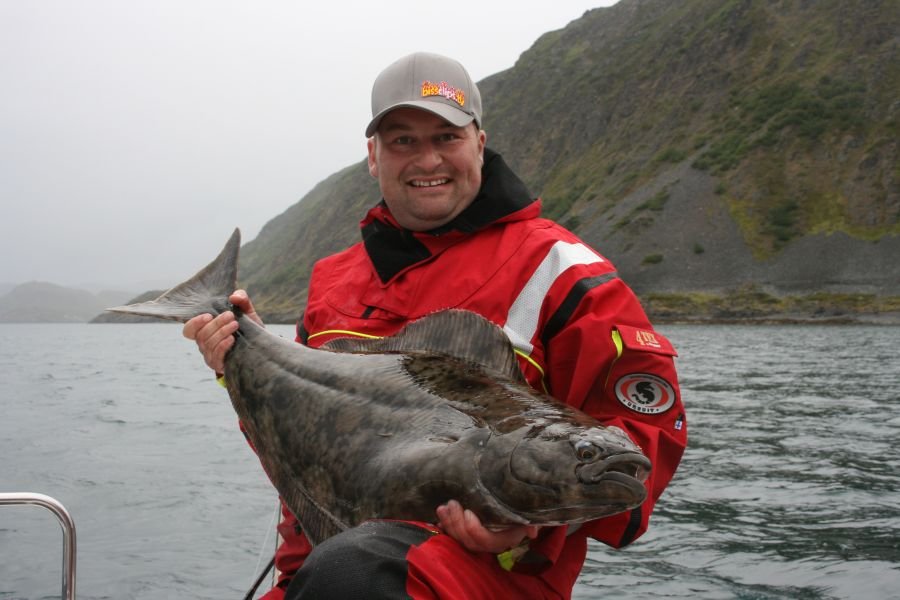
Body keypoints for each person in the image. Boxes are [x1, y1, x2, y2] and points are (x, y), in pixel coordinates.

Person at [184, 51, 687, 599]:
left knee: (352, 574)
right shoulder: (332, 281)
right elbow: (306, 449)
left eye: (446, 137)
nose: (427, 160)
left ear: (479, 141)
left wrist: (531, 520)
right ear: (373, 157)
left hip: (477, 580)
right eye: (402, 140)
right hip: (317, 567)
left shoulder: (564, 271)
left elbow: (646, 438)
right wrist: (240, 362)